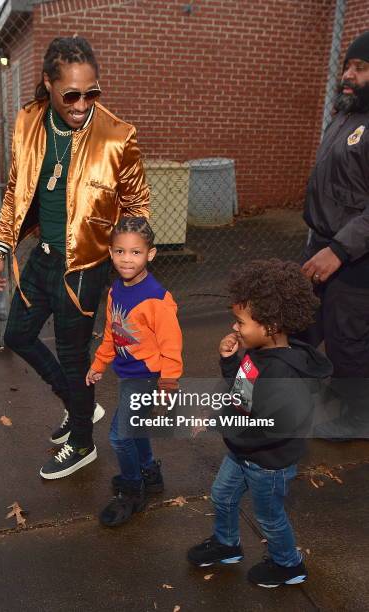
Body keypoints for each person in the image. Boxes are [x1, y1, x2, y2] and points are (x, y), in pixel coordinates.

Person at [0, 37, 149, 479]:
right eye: (71, 94)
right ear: (48, 85)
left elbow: (138, 208)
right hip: (42, 257)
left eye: (91, 92)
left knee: (76, 358)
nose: (82, 104)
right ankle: (80, 407)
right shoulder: (29, 122)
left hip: (84, 269)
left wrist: (129, 264)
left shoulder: (118, 137)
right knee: (17, 334)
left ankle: (81, 442)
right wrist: (1, 250)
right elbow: (16, 191)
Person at [187, 260, 332, 588]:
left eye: (240, 322)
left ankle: (288, 565)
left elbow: (265, 425)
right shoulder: (258, 355)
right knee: (222, 495)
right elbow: (243, 394)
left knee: (269, 516)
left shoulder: (282, 375)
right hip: (242, 452)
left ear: (271, 324)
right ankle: (227, 545)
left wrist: (218, 423)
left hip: (268, 463)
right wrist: (229, 364)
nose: (235, 328)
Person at [86, 217, 183, 527]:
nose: (127, 259)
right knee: (135, 427)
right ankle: (149, 473)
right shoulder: (116, 289)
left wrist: (169, 381)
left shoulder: (156, 299)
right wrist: (98, 364)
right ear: (111, 253)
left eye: (136, 253)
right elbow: (112, 333)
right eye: (120, 252)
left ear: (150, 255)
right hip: (127, 373)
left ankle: (132, 490)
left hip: (146, 376)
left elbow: (172, 345)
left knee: (120, 436)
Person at [301, 31, 369, 439]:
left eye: (360, 68)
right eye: (347, 66)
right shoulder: (346, 114)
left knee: (348, 338)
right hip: (322, 244)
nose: (348, 74)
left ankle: (360, 417)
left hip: (355, 258)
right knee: (303, 322)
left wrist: (340, 250)